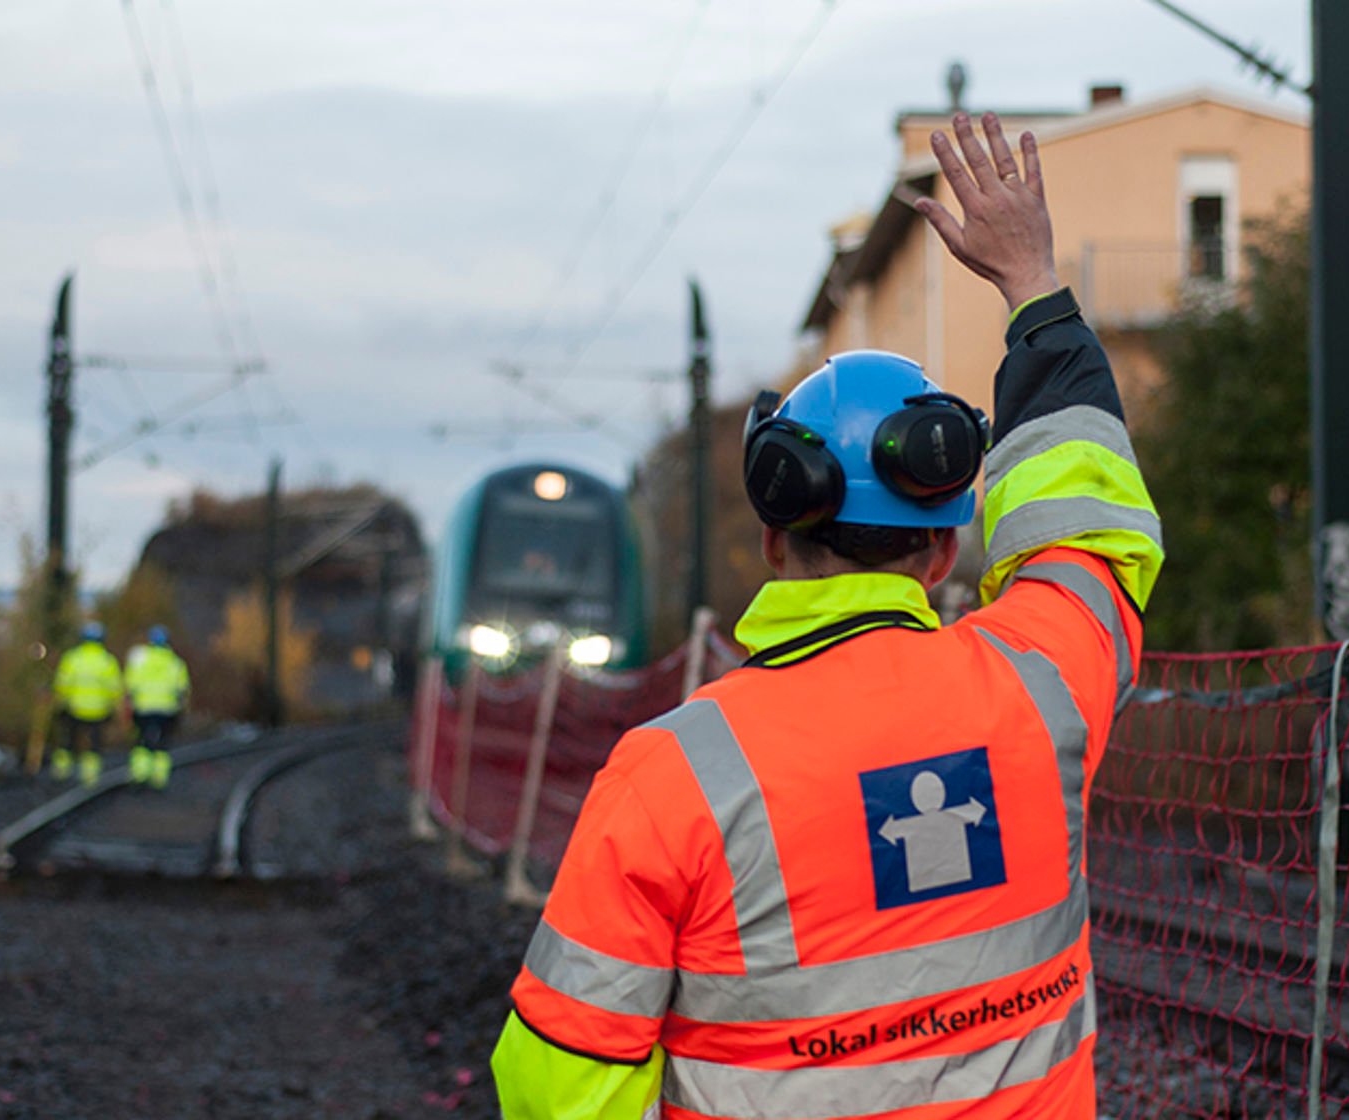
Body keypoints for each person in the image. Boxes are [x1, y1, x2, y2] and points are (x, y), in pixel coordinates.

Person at [489, 112, 1164, 1118]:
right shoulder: (1047, 685)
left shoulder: (671, 774)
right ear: (943, 548)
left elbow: (558, 1085)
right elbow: (1093, 522)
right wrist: (1033, 285)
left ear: (774, 536)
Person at [50, 620, 124, 787]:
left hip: (74, 708)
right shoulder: (108, 661)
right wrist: (115, 708)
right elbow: (115, 688)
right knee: (94, 743)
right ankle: (90, 776)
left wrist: (59, 703)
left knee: (68, 740)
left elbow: (62, 684)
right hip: (98, 711)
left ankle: (61, 772)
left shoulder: (73, 658)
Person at [123, 623, 190, 789]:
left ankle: (140, 774)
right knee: (163, 743)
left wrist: (129, 703)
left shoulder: (140, 659)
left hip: (143, 707)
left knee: (142, 741)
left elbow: (129, 684)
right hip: (167, 709)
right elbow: (183, 689)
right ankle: (159, 778)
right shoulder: (175, 662)